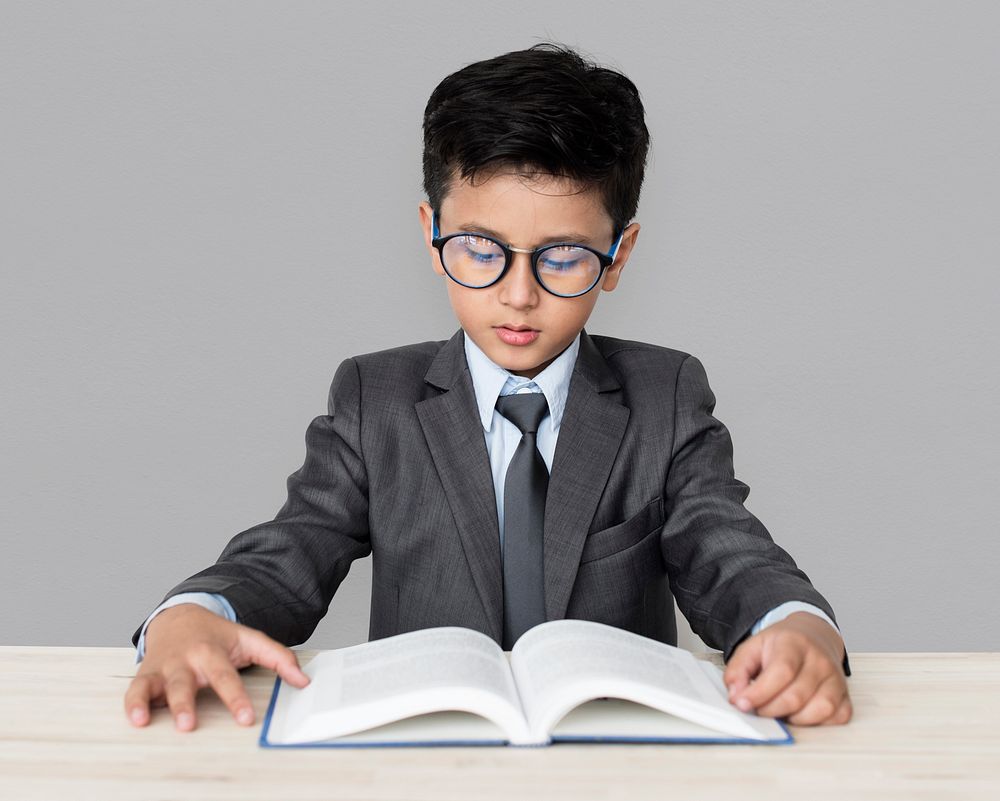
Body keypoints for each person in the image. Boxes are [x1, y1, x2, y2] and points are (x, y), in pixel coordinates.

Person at [124, 43, 852, 734]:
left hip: (614, 757)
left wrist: (794, 623)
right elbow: (289, 552)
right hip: (429, 751)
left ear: (618, 253)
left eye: (563, 258)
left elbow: (729, 552)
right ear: (432, 234)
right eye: (480, 250)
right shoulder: (375, 398)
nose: (518, 296)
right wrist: (189, 614)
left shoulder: (665, 395)